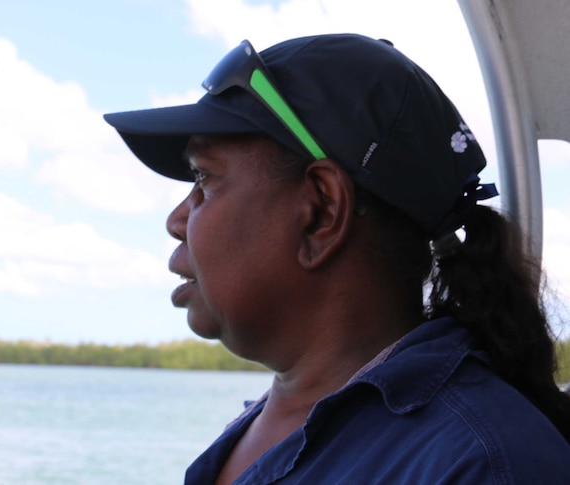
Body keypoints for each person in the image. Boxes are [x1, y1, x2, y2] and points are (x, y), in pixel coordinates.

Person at [104, 34, 570, 484]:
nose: (177, 219)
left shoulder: (481, 465)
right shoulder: (266, 425)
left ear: (321, 210)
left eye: (204, 178)